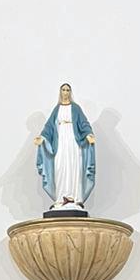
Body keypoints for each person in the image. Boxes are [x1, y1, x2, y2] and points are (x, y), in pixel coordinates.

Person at [34, 82, 96, 213]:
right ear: (60, 92)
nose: (66, 92)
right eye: (63, 90)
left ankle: (74, 197)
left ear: (70, 92)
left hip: (73, 143)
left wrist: (88, 134)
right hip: (60, 142)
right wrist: (42, 138)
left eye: (68, 90)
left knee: (73, 167)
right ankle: (61, 198)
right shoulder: (57, 109)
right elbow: (49, 127)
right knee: (60, 167)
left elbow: (84, 124)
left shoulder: (76, 108)